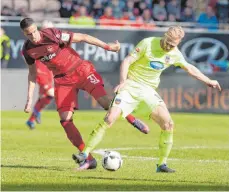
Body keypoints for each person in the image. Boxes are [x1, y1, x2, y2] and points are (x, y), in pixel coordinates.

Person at [73, 26, 222, 172]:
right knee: (110, 118)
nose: (169, 47)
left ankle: (161, 164)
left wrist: (209, 81)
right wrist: (123, 81)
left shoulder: (175, 53)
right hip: (130, 86)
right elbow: (127, 61)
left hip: (148, 91)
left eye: (173, 45)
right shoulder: (148, 43)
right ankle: (84, 154)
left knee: (168, 123)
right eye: (168, 42)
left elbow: (190, 69)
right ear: (165, 36)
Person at [20, 17, 148, 170]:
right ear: (24, 34)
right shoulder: (28, 50)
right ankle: (88, 159)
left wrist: (107, 47)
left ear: (37, 28)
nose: (33, 36)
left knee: (106, 104)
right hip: (62, 81)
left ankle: (131, 118)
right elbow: (32, 74)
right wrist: (29, 99)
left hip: (81, 70)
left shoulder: (52, 34)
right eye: (29, 34)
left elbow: (84, 37)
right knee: (65, 120)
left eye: (34, 31)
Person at [26, 21, 55, 129]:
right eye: (49, 29)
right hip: (40, 70)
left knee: (44, 96)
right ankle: (36, 111)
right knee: (50, 94)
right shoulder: (36, 41)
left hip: (48, 71)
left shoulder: (51, 40)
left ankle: (31, 120)